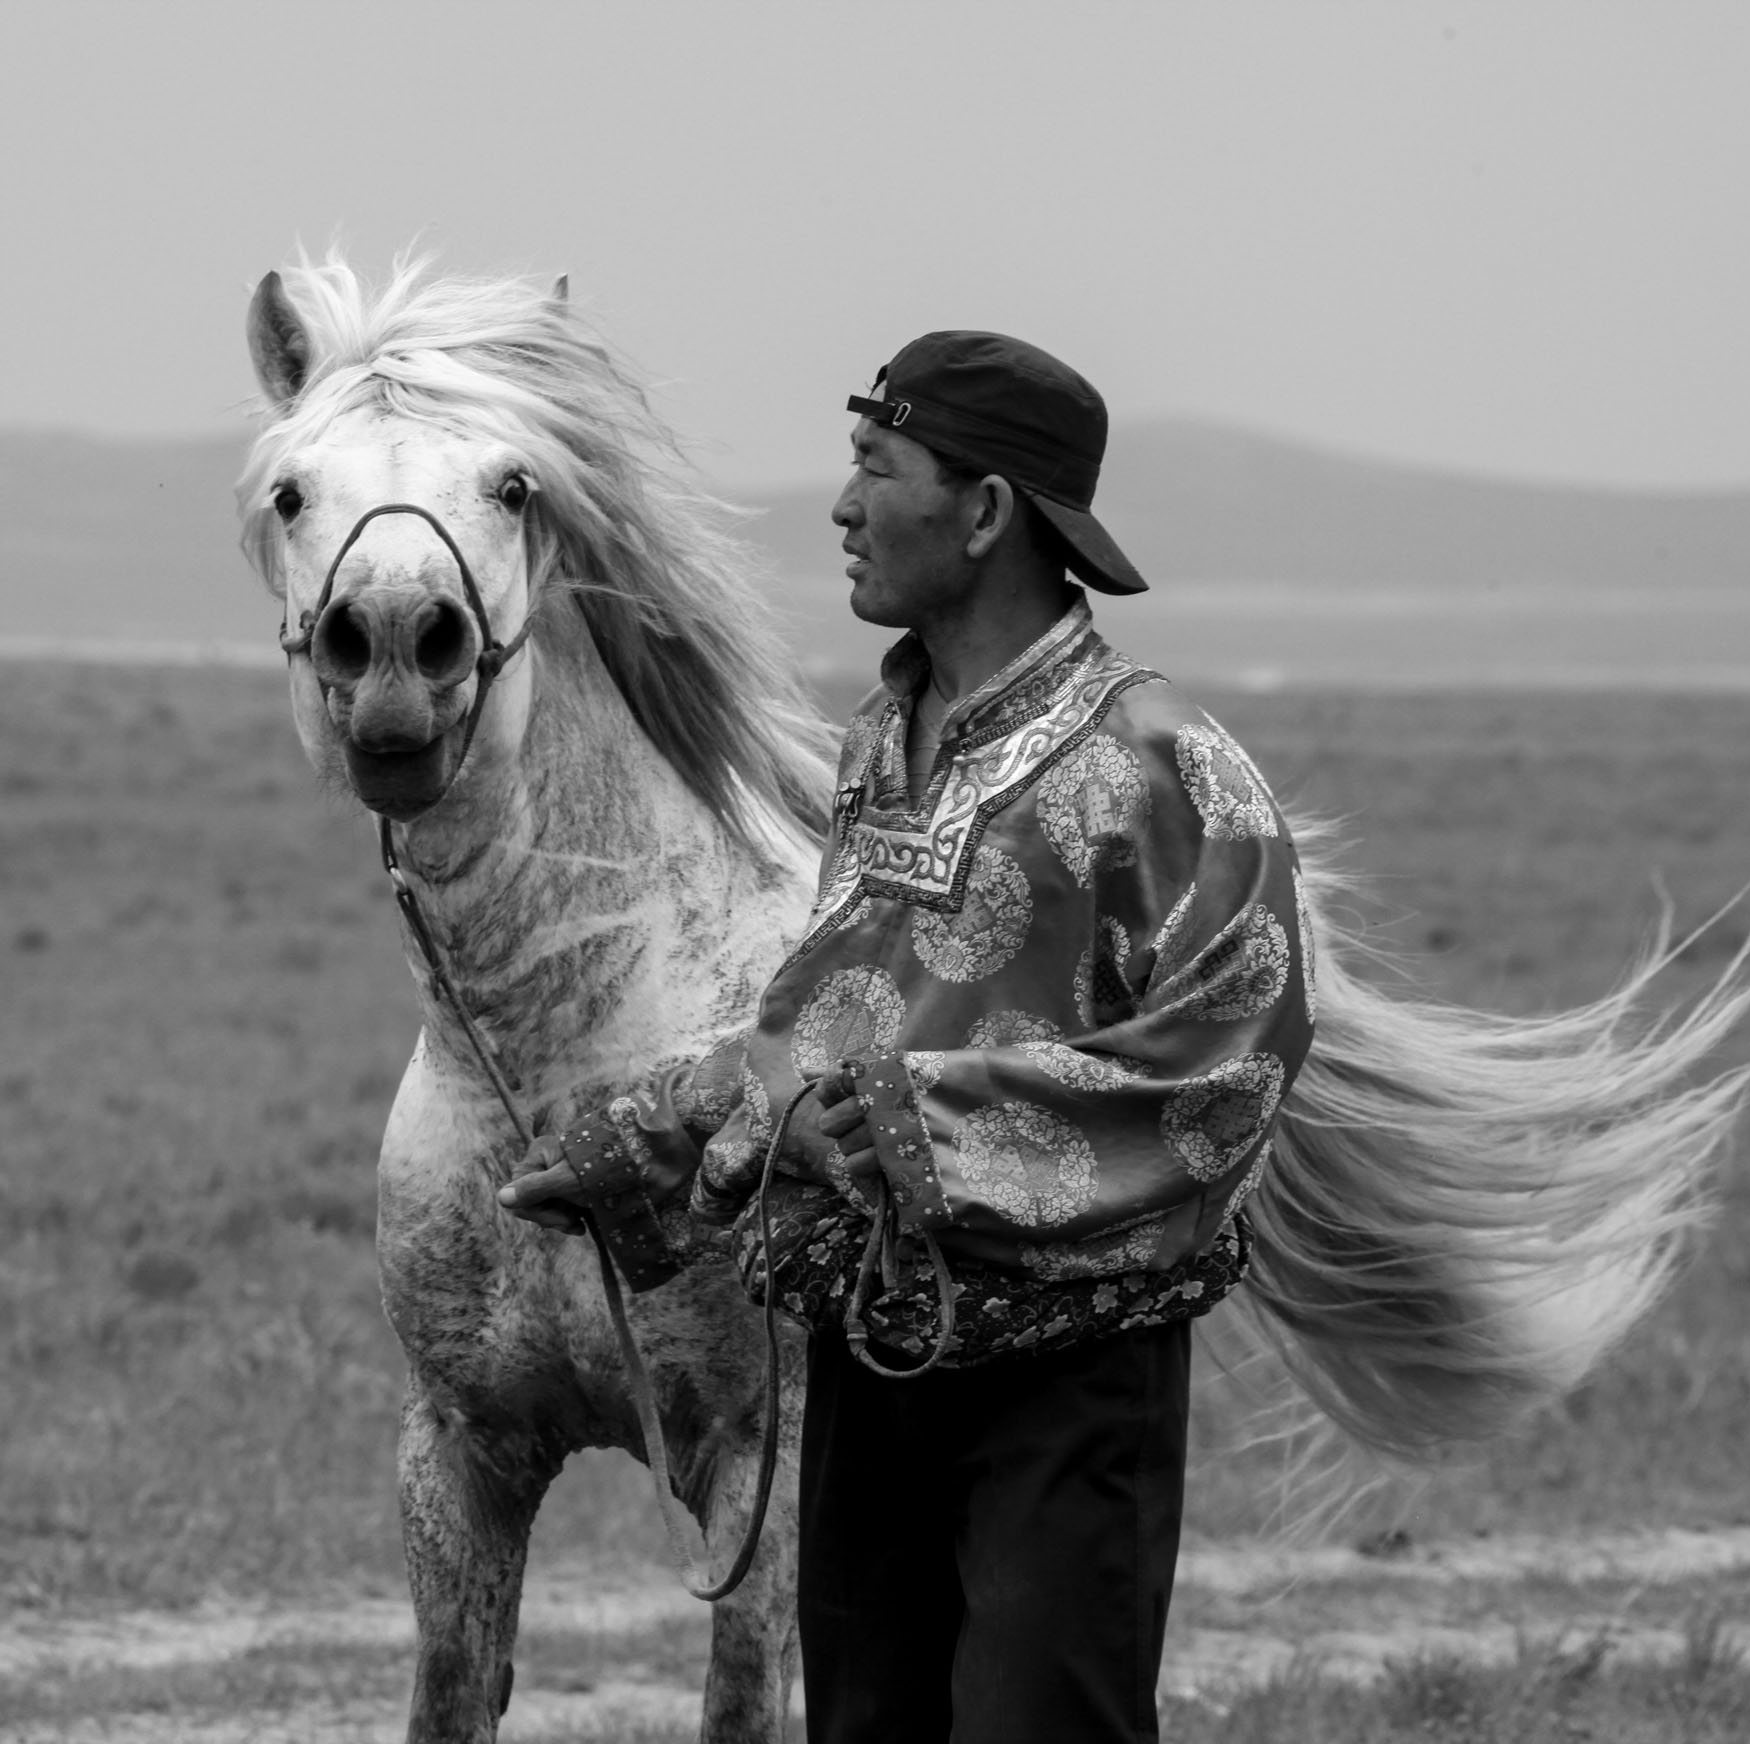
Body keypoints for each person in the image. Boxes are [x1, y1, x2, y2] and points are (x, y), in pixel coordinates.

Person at [499, 330, 1313, 1743]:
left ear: (986, 511)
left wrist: (889, 1124)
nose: (840, 506)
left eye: (876, 468)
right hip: (871, 1353)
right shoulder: (886, 739)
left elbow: (1224, 1075)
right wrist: (658, 1135)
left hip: (1066, 1381)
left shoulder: (1165, 766)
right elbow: (829, 1022)